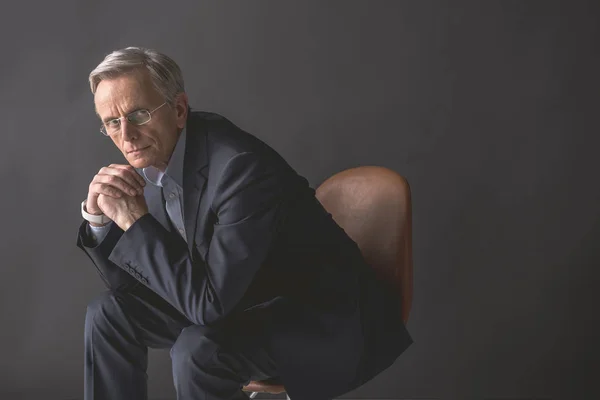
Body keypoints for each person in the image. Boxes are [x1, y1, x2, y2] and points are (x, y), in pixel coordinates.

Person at [76, 47, 413, 400]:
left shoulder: (240, 168)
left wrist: (135, 220)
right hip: (237, 298)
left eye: (139, 114)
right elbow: (138, 285)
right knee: (108, 313)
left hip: (322, 317)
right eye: (112, 123)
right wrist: (99, 220)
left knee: (199, 350)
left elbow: (207, 306)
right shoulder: (156, 158)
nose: (126, 136)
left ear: (178, 110)